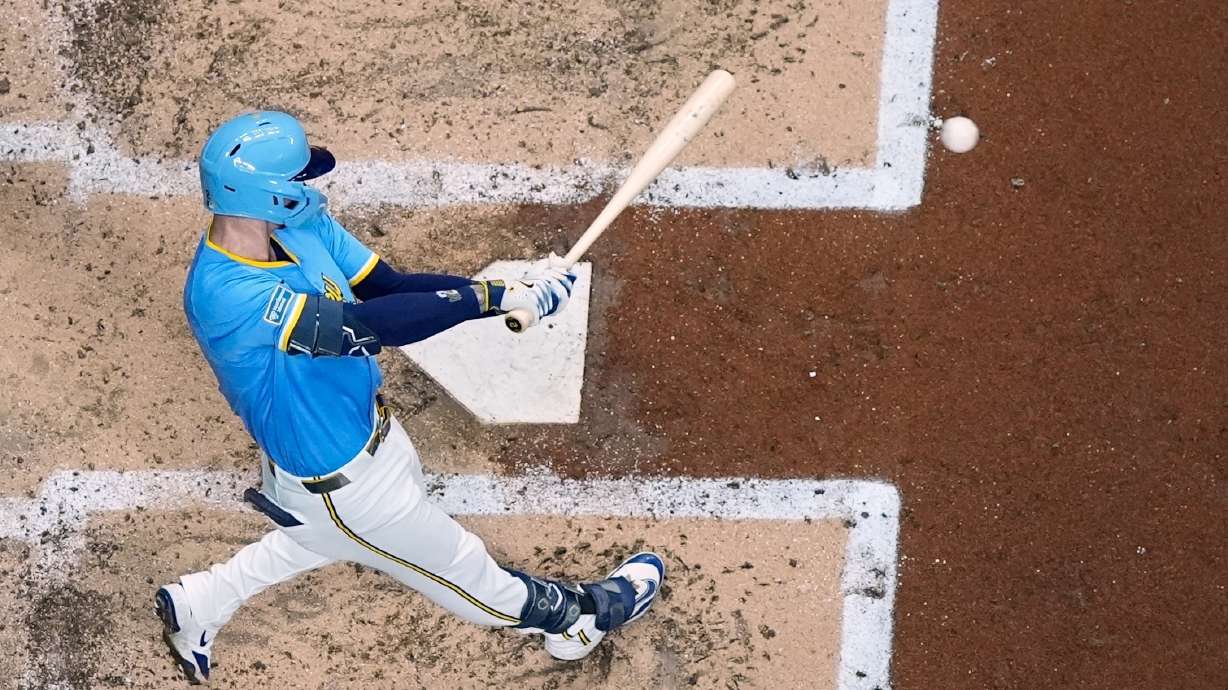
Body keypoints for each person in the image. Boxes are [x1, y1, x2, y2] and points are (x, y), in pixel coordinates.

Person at [154, 111, 664, 684]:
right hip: (340, 484)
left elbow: (390, 289)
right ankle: (578, 619)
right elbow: (366, 326)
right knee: (462, 567)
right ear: (267, 193)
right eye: (298, 178)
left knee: (327, 536)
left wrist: (510, 291)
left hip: (363, 436)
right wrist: (491, 298)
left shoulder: (299, 226)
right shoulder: (226, 292)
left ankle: (201, 600)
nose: (310, 185)